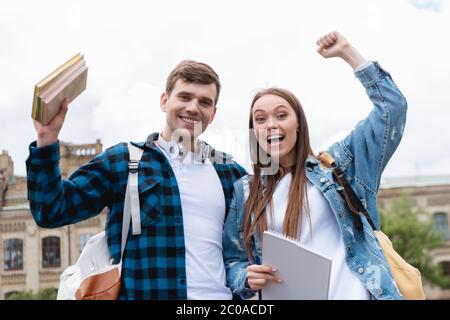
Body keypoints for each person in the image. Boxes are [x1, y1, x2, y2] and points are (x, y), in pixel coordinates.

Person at [27, 60, 247, 299]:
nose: (194, 108)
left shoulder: (231, 173)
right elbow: (51, 209)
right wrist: (46, 139)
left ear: (213, 113)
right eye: (184, 97)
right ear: (164, 101)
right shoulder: (123, 161)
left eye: (205, 102)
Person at [223, 31, 407, 300]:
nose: (271, 124)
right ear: (255, 132)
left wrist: (348, 53)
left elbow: (393, 109)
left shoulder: (338, 166)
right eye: (260, 119)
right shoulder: (245, 191)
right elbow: (232, 261)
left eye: (281, 115)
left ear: (298, 124)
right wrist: (246, 277)